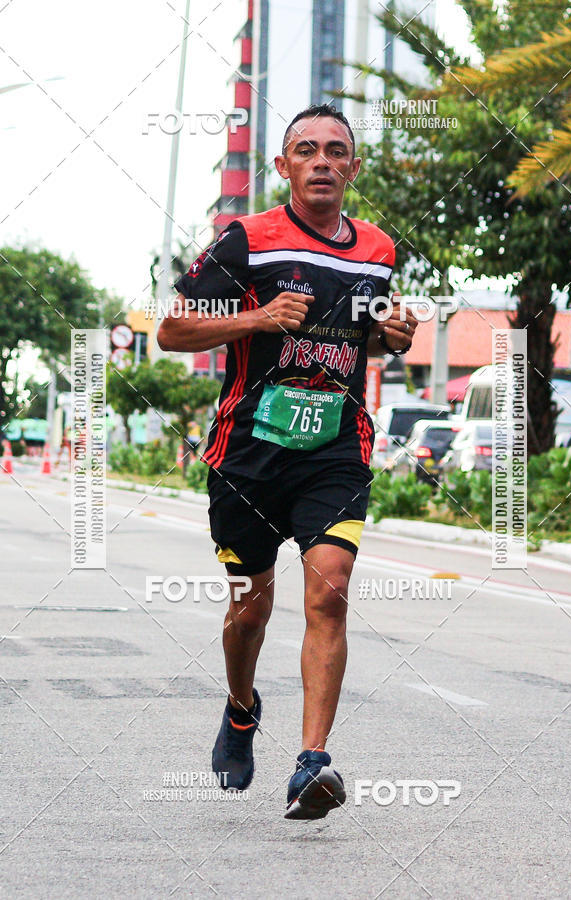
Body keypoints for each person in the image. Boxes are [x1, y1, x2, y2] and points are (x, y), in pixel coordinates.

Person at [157, 104, 417, 820]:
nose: (323, 161)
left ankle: (311, 765)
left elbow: (362, 337)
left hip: (336, 449)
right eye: (307, 150)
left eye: (337, 150)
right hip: (248, 454)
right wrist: (256, 318)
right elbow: (171, 329)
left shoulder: (378, 249)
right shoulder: (248, 240)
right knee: (250, 609)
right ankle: (241, 708)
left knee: (328, 591)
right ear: (284, 167)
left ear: (354, 168)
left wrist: (393, 335)